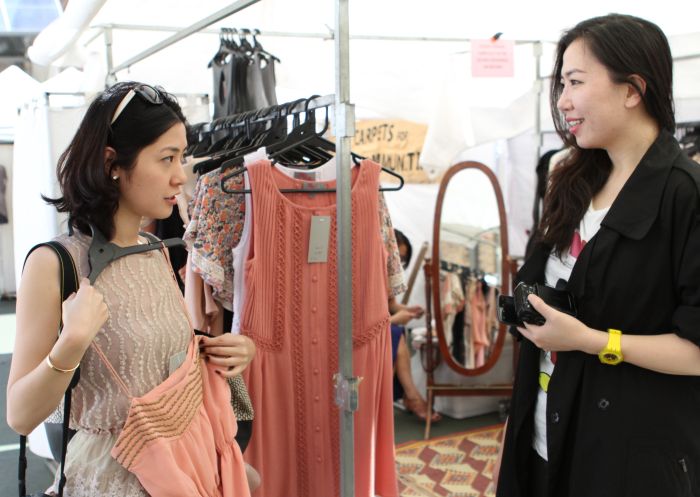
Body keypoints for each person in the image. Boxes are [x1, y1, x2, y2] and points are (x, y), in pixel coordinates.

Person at [6, 82, 256, 496]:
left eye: (182, 157)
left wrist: (224, 352)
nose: (181, 175)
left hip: (181, 467)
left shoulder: (156, 250)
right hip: (111, 479)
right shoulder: (55, 264)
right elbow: (19, 415)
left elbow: (160, 364)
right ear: (111, 163)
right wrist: (71, 343)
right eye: (167, 158)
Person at [495, 14, 700, 497]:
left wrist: (591, 340)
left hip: (628, 455)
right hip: (546, 432)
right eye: (561, 83)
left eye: (576, 82)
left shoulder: (683, 196)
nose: (563, 101)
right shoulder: (572, 179)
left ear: (632, 89)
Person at [389, 229, 440, 422]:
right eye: (398, 257)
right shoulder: (370, 273)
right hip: (368, 331)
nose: (400, 263)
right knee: (394, 333)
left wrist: (408, 310)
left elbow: (390, 305)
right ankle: (413, 397)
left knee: (395, 333)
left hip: (382, 327)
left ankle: (411, 397)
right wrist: (396, 318)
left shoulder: (388, 276)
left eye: (403, 260)